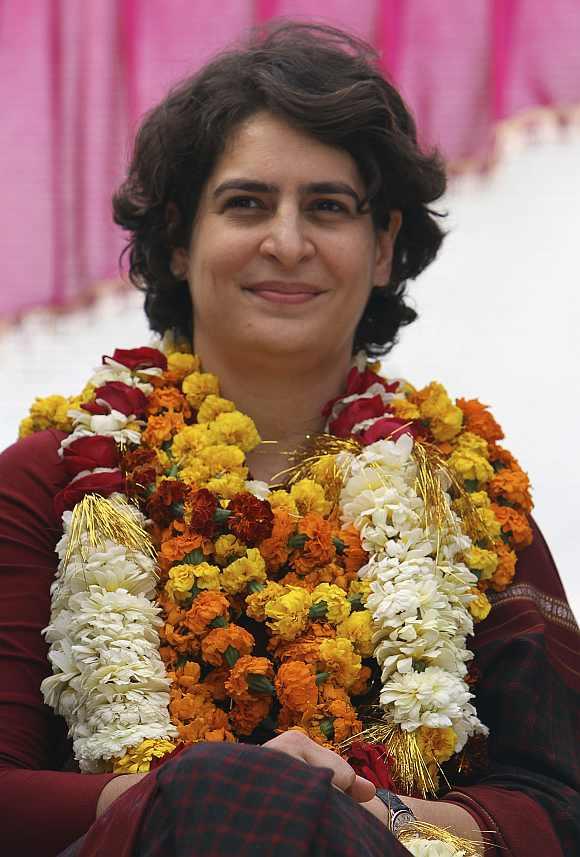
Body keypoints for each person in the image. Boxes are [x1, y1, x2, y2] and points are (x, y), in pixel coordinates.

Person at [0, 22, 578, 857]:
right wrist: (193, 792)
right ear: (175, 237)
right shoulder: (48, 480)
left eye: (329, 207)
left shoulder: (464, 493)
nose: (287, 241)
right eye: (246, 203)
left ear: (382, 248)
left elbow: (557, 807)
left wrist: (370, 813)